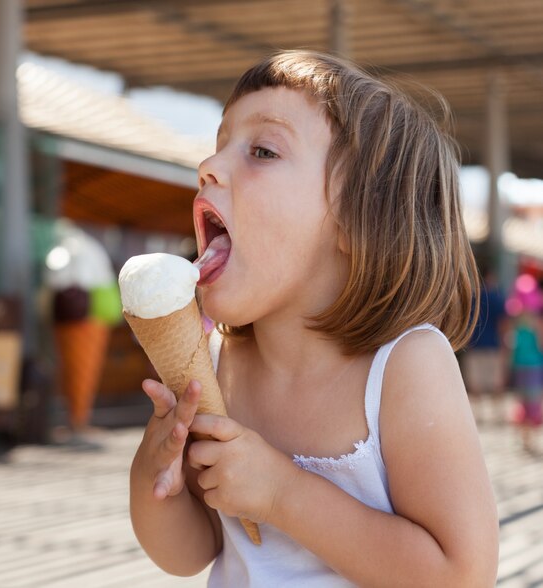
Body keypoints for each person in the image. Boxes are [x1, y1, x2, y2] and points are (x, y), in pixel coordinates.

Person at [129, 50, 499, 586]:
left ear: (355, 222)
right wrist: (154, 477)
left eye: (261, 150)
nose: (208, 167)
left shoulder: (404, 366)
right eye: (218, 146)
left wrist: (283, 494)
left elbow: (461, 573)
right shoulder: (216, 366)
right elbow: (191, 553)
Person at [462, 267, 507, 423]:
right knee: (496, 380)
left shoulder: (473, 298)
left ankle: (477, 415)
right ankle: (499, 414)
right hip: (493, 344)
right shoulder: (497, 297)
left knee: (475, 381)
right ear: (491, 277)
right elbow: (503, 323)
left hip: (475, 344)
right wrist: (504, 345)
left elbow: (466, 321)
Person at [506, 273, 543, 453]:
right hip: (533, 365)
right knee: (532, 402)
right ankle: (529, 439)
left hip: (523, 365)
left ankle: (526, 438)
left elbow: (512, 344)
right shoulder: (535, 321)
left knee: (525, 402)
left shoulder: (517, 320)